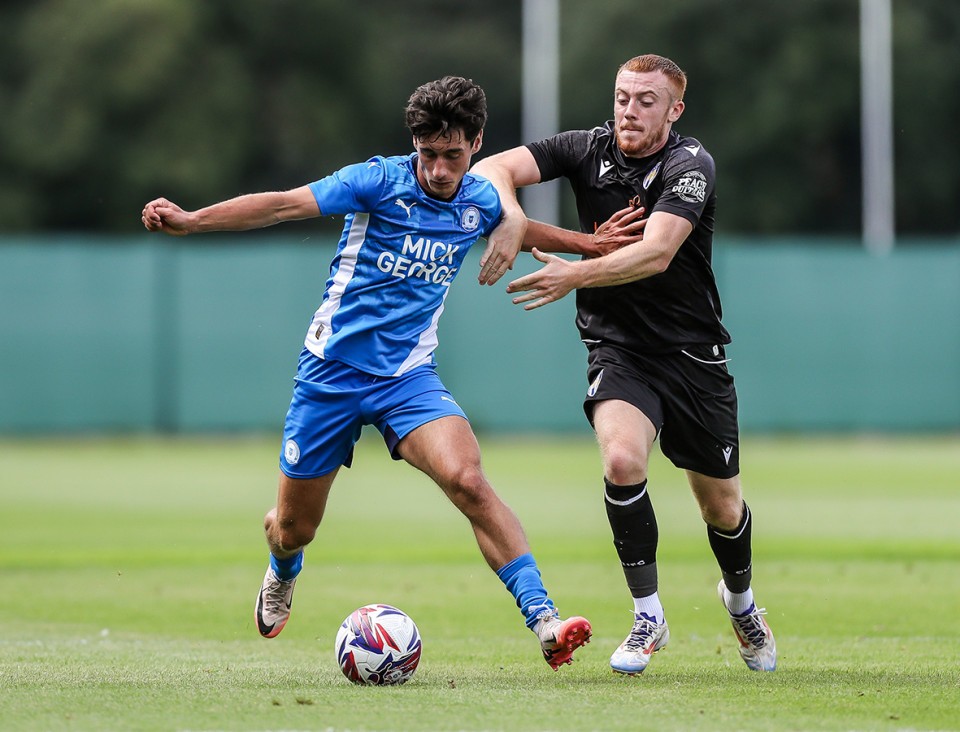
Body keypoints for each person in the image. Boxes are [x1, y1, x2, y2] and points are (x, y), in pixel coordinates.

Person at [141, 76, 592, 670]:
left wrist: (592, 245)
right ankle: (282, 568)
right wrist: (193, 220)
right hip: (329, 376)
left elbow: (523, 227)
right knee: (293, 528)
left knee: (469, 481)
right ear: (414, 143)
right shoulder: (377, 181)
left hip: (408, 377)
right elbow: (283, 204)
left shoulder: (480, 199)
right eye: (427, 153)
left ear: (476, 144)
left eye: (451, 155)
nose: (437, 168)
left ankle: (545, 621)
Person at [472, 54, 777, 674]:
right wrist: (511, 215)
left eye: (645, 100)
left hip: (693, 352)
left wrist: (573, 273)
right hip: (619, 348)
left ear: (674, 109)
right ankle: (648, 616)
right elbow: (491, 167)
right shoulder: (584, 149)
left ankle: (741, 602)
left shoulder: (690, 164)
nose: (629, 110)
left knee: (721, 507)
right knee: (620, 459)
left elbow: (657, 252)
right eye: (621, 97)